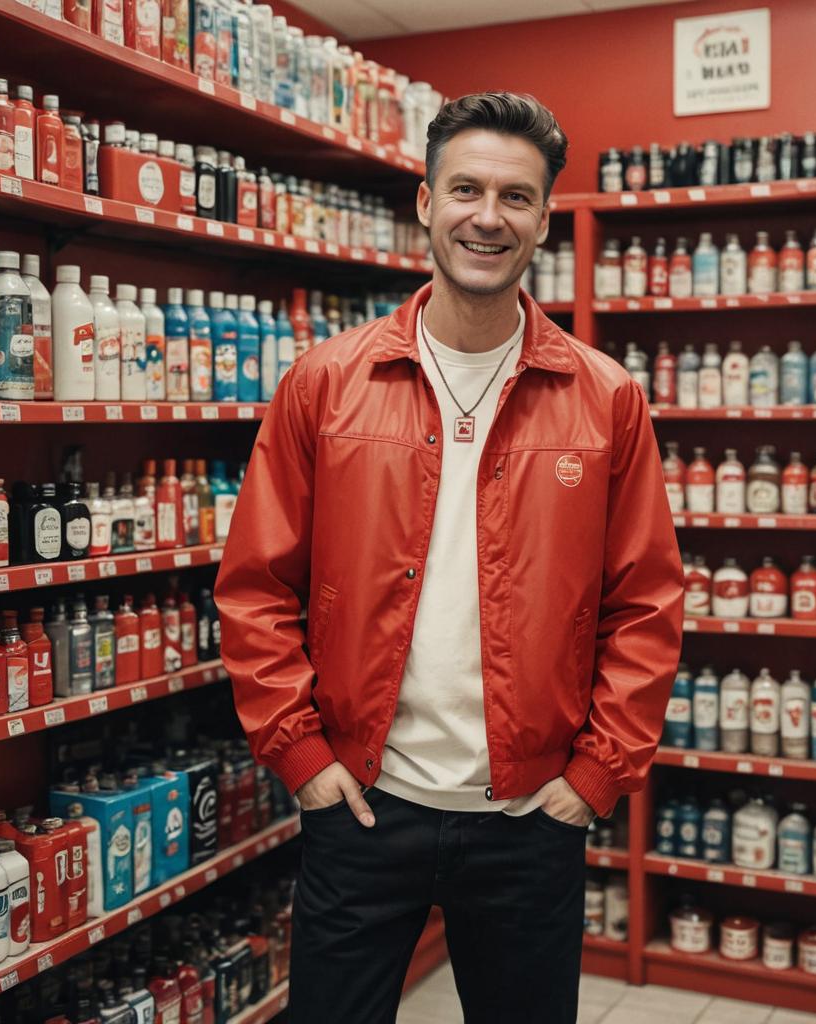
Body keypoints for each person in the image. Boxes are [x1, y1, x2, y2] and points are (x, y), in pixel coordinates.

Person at [215, 92, 683, 1024]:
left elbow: (647, 604)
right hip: (362, 805)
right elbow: (257, 585)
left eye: (516, 197)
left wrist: (594, 778)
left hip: (528, 819)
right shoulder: (325, 384)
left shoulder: (606, 399)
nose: (487, 215)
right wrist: (301, 753)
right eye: (464, 188)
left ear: (545, 219)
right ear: (425, 203)